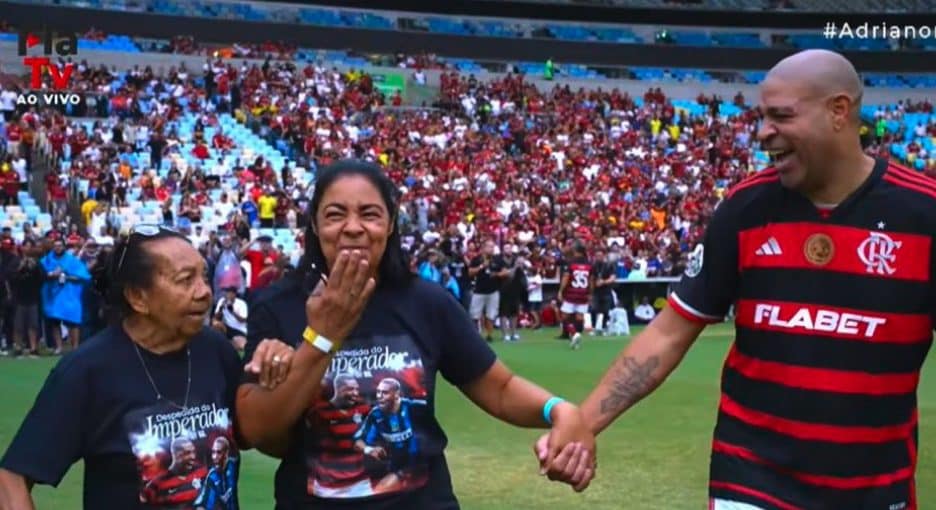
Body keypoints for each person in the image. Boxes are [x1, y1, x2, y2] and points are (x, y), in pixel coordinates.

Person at [537, 49, 936, 509]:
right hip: (752, 478)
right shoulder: (746, 209)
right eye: (762, 116)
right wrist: (583, 423)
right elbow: (670, 331)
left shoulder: (922, 214)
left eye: (781, 116)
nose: (763, 132)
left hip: (872, 489)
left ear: (839, 112)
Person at [236, 160, 596, 510]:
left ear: (390, 224)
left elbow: (499, 388)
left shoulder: (426, 302)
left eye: (370, 213)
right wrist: (322, 336)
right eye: (334, 214)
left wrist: (557, 409)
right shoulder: (277, 306)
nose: (353, 227)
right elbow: (256, 431)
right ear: (314, 224)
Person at [0, 225, 296, 509]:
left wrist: (275, 383)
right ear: (138, 297)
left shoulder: (215, 349)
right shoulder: (88, 370)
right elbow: (11, 478)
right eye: (185, 280)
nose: (204, 291)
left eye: (204, 277)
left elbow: (254, 436)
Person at [557, 242, 592, 349]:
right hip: (583, 294)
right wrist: (590, 293)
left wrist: (560, 291)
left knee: (564, 316)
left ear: (576, 251)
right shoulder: (589, 264)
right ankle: (576, 339)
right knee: (579, 317)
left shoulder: (570, 263)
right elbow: (591, 280)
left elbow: (566, 277)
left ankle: (574, 334)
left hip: (571, 293)